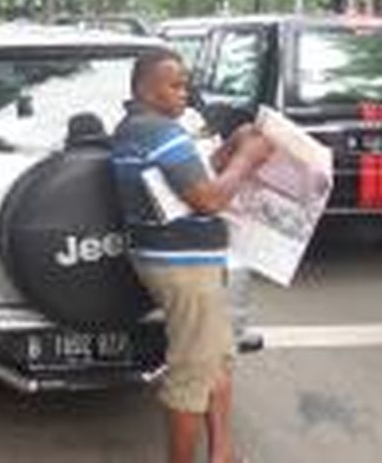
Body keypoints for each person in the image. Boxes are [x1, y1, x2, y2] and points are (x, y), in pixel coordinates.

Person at [112, 48, 272, 463]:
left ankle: (223, 455)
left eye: (187, 85)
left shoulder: (145, 128)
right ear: (144, 88)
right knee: (190, 376)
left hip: (183, 263)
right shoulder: (158, 132)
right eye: (174, 85)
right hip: (184, 269)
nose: (185, 93)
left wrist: (232, 148)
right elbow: (206, 198)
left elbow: (190, 180)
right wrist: (248, 160)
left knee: (217, 357)